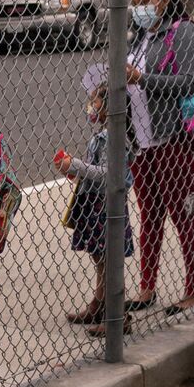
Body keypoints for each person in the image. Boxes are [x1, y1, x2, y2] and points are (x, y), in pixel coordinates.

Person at [124, 0, 194, 317]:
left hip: (175, 138)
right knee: (150, 215)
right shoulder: (140, 37)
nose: (139, 8)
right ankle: (147, 287)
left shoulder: (184, 32)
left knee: (182, 211)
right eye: (134, 3)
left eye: (145, 1)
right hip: (141, 140)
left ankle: (193, 289)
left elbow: (190, 82)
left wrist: (144, 79)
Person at [55, 71, 133, 332]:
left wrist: (76, 164)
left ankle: (117, 316)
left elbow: (109, 175)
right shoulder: (102, 135)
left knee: (110, 260)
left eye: (95, 101)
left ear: (109, 106)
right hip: (96, 204)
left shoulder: (115, 137)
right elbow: (94, 169)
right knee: (100, 258)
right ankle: (99, 303)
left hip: (107, 205)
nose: (91, 106)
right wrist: (75, 170)